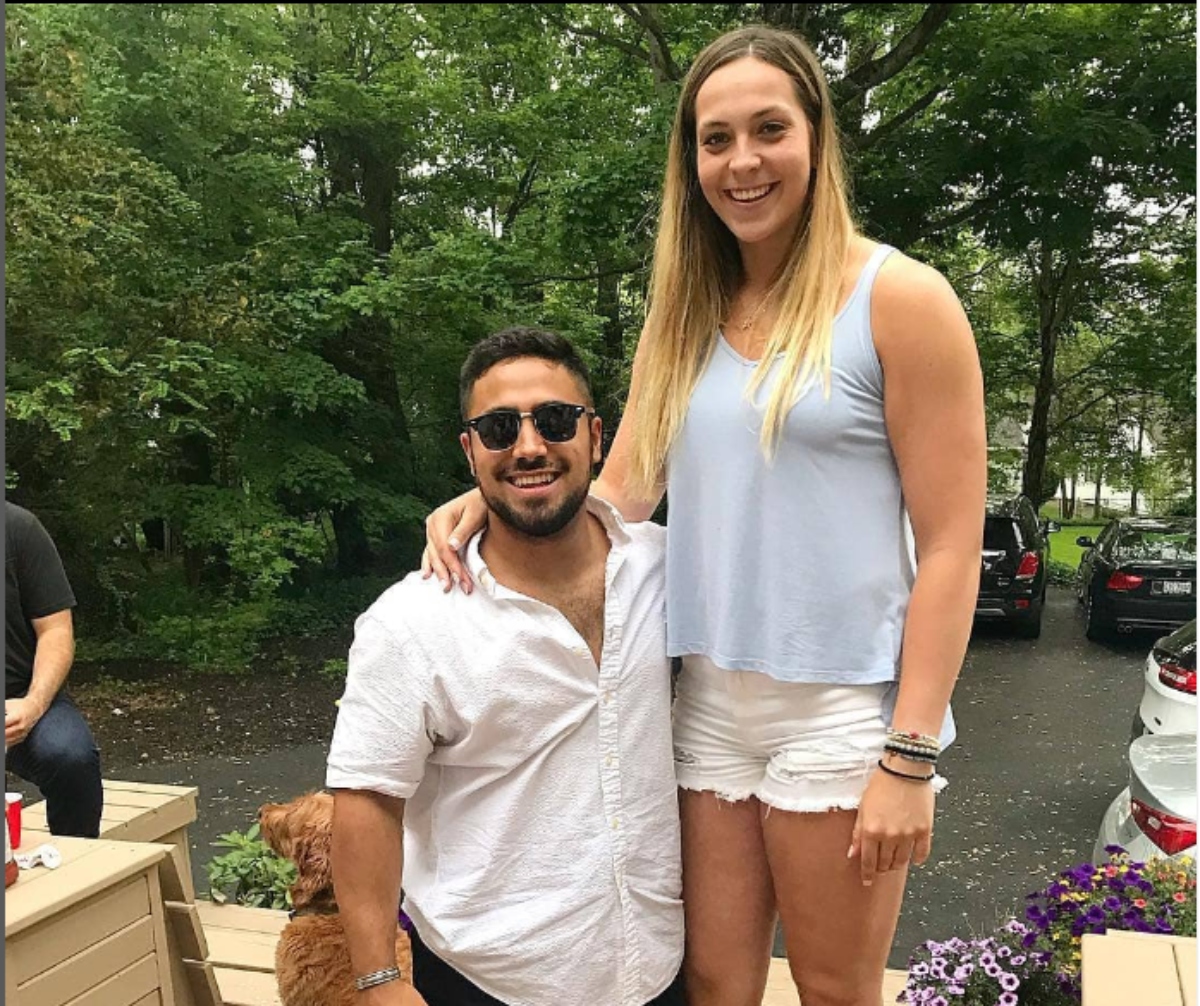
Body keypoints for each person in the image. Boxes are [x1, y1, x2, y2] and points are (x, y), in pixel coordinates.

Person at [422, 25, 987, 1006]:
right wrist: (507, 490)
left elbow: (951, 546)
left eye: (769, 129)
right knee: (714, 984)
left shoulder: (900, 300)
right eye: (715, 139)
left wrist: (909, 753)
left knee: (834, 989)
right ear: (692, 162)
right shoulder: (684, 313)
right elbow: (623, 490)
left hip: (842, 708)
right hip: (707, 704)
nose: (743, 161)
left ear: (816, 136)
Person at [327, 328, 685, 1006]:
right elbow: (367, 799)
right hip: (490, 982)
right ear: (470, 451)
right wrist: (378, 979)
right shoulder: (412, 623)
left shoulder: (667, 571)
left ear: (595, 437)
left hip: (659, 969)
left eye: (555, 420)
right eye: (498, 429)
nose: (528, 446)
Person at [5, 501, 104, 838]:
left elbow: (56, 631)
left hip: (23, 696)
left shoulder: (19, 529)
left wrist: (33, 704)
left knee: (70, 758)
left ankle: (79, 861)